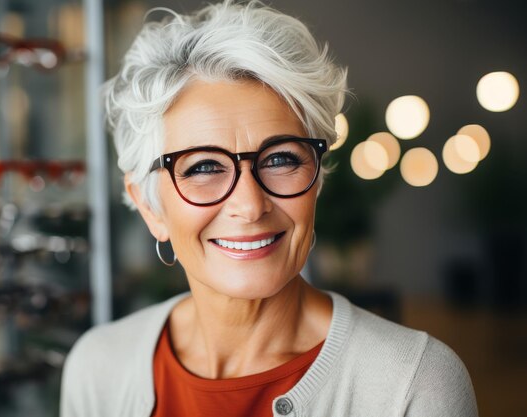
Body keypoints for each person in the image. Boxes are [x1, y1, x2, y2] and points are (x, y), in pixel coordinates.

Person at [60, 1, 478, 416]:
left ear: (316, 178)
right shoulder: (98, 368)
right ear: (150, 207)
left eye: (281, 159)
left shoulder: (413, 385)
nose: (250, 205)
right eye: (204, 166)